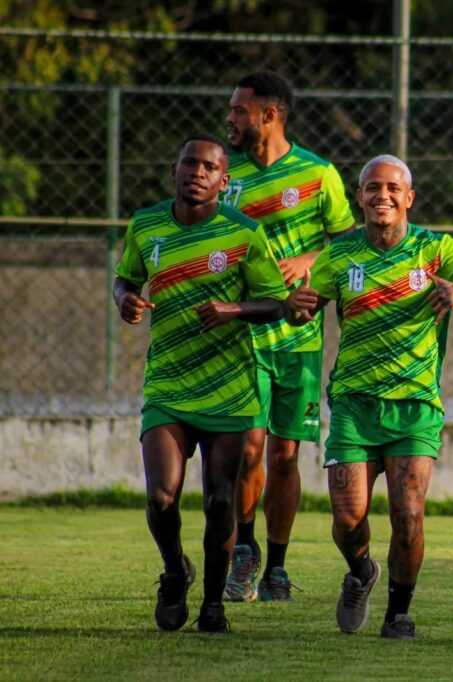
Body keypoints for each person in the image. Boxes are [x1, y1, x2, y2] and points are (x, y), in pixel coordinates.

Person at [286, 154, 453, 639]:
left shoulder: (435, 249)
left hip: (415, 405)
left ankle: (399, 613)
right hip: (353, 403)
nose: (382, 195)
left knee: (407, 514)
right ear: (360, 198)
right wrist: (297, 309)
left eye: (393, 188)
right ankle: (362, 571)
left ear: (409, 198)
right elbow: (302, 308)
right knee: (348, 520)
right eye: (372, 187)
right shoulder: (340, 254)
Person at [113, 134, 289, 632]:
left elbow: (275, 302)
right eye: (189, 162)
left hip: (229, 390)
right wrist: (123, 298)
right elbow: (125, 277)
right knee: (161, 497)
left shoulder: (245, 232)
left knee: (219, 501)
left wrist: (233, 308)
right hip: (167, 385)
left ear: (223, 180)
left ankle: (213, 603)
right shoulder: (146, 224)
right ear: (174, 169)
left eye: (209, 166)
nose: (198, 171)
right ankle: (174, 571)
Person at [222, 70, 356, 603]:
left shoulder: (319, 175)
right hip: (245, 335)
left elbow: (350, 245)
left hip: (298, 340)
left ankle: (277, 563)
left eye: (238, 110)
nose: (230, 120)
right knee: (249, 450)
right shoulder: (223, 174)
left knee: (284, 456)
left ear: (269, 116)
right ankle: (243, 551)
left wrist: (310, 259)